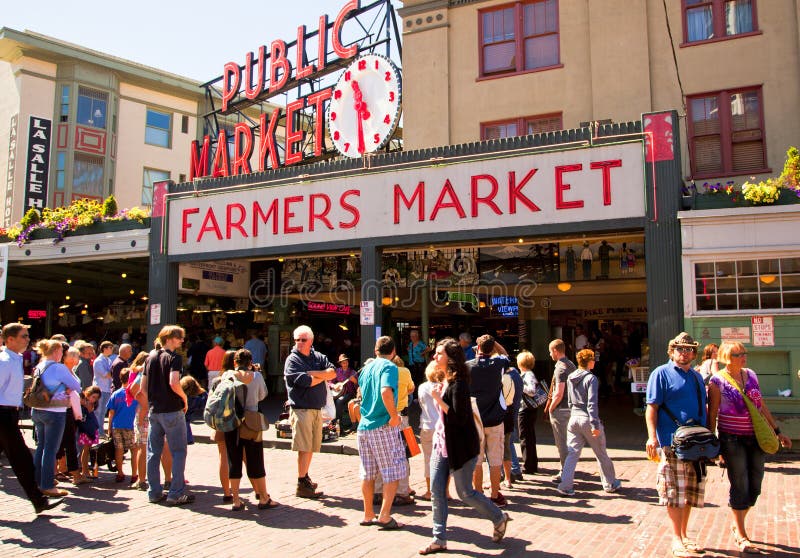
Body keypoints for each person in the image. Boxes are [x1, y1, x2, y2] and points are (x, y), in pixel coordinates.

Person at [420, 338, 510, 555]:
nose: (435, 357)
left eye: (439, 353)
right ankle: (439, 538)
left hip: (461, 447)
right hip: (442, 443)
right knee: (437, 491)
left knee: (465, 492)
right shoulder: (448, 381)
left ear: (450, 358)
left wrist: (438, 399)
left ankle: (498, 517)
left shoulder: (459, 383)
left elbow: (459, 417)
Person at [707, 341, 792, 554]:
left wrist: (778, 430)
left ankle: (738, 521)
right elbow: (713, 413)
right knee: (740, 483)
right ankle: (742, 534)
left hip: (755, 437)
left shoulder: (751, 375)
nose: (743, 356)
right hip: (731, 439)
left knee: (755, 484)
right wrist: (713, 443)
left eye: (744, 353)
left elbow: (760, 404)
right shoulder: (717, 381)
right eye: (738, 354)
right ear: (727, 357)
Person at [645, 332, 708, 558]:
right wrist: (652, 437)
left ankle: (684, 534)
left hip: (696, 441)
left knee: (690, 490)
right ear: (672, 351)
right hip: (672, 441)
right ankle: (676, 538)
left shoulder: (697, 377)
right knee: (673, 491)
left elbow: (705, 407)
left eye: (689, 349)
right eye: (680, 349)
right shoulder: (660, 374)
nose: (685, 353)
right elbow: (651, 407)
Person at [0, 323, 64, 514]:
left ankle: (39, 500)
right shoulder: (5, 360)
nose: (28, 339)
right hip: (3, 414)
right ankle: (39, 500)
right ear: (10, 339)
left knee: (22, 460)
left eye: (28, 336)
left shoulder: (14, 358)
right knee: (22, 460)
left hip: (9, 413)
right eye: (23, 336)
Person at [356, 336, 408, 529]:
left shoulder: (366, 368)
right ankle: (384, 515)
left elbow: (361, 393)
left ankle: (368, 513)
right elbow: (386, 391)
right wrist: (393, 415)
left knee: (368, 472)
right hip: (382, 424)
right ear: (393, 352)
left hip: (364, 426)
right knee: (392, 471)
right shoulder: (389, 367)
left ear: (375, 350)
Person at [140, 325, 193, 506]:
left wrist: (151, 402)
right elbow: (174, 382)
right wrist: (184, 397)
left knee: (153, 452)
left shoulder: (150, 357)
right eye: (179, 338)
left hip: (155, 410)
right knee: (178, 451)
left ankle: (154, 491)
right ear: (170, 338)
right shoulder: (174, 358)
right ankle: (175, 492)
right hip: (172, 409)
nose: (181, 341)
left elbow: (142, 387)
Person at [557, 349, 621, 496]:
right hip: (587, 418)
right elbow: (592, 403)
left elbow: (569, 399)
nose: (595, 361)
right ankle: (610, 483)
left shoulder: (571, 376)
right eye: (593, 359)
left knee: (572, 454)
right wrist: (594, 425)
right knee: (600, 453)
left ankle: (565, 485)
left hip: (574, 418)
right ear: (589, 361)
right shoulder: (591, 379)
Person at [284, 325, 336, 499]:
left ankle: (305, 477)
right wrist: (321, 376)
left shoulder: (318, 356)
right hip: (302, 408)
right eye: (297, 339)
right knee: (304, 447)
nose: (299, 343)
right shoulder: (292, 360)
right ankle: (301, 481)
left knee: (312, 447)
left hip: (316, 409)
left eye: (303, 340)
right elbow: (305, 382)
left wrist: (314, 373)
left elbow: (332, 373)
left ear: (311, 340)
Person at [221, 349, 277, 511]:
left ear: (235, 362)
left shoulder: (227, 375)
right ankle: (263, 497)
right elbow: (263, 395)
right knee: (255, 459)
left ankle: (236, 500)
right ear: (250, 362)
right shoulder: (257, 376)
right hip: (251, 420)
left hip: (231, 421)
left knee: (234, 459)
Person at [30, 339, 81, 498]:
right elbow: (77, 385)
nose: (62, 354)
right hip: (55, 410)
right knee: (50, 449)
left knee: (41, 447)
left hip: (37, 409)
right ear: (56, 351)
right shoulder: (58, 367)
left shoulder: (40, 365)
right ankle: (47, 484)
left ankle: (37, 481)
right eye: (61, 351)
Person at [467, 334, 509, 507]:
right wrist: (493, 343)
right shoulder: (498, 363)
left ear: (477, 349)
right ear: (492, 349)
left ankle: (477, 491)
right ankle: (494, 493)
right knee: (495, 457)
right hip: (494, 418)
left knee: (476, 458)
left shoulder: (467, 367)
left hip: (475, 417)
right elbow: (505, 354)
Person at [544, 339, 576, 483]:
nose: (550, 354)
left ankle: (566, 473)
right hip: (571, 407)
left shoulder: (560, 368)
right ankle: (568, 470)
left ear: (556, 351)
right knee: (570, 442)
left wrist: (551, 408)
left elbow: (559, 392)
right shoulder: (571, 364)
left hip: (561, 410)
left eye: (550, 351)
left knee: (562, 443)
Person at [106, 368, 139, 484]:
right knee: (134, 450)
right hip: (130, 425)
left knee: (118, 449)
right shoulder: (134, 394)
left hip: (117, 425)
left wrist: (109, 428)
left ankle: (120, 473)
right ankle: (134, 474)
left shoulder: (115, 394)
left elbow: (111, 412)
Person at [417, 361, 443, 501]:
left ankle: (429, 490)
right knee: (444, 459)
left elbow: (421, 404)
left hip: (426, 425)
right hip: (441, 426)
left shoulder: (422, 387)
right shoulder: (443, 387)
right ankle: (445, 490)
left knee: (428, 459)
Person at [516, 350, 540, 475]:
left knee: (525, 437)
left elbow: (531, 391)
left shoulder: (528, 375)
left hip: (525, 409)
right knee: (529, 436)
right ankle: (532, 463)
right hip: (528, 409)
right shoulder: (529, 374)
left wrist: (519, 385)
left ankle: (528, 465)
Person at [502, 363, 524, 486]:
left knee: (503, 445)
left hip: (503, 414)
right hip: (511, 412)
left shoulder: (504, 378)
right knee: (508, 444)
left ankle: (508, 474)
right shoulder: (515, 375)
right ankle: (514, 471)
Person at [331, 354, 358, 434]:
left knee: (339, 401)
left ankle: (339, 425)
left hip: (349, 393)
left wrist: (355, 381)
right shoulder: (337, 371)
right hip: (338, 393)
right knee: (330, 400)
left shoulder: (352, 372)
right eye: (343, 363)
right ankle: (332, 424)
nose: (345, 364)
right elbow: (330, 382)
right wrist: (334, 385)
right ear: (340, 364)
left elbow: (359, 386)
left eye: (346, 362)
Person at [92, 340, 115, 438]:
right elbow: (105, 374)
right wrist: (115, 371)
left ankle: (100, 432)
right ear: (104, 349)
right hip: (100, 389)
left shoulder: (108, 360)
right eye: (110, 348)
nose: (111, 350)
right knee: (98, 411)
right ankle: (97, 432)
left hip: (107, 389)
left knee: (102, 412)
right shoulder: (98, 361)